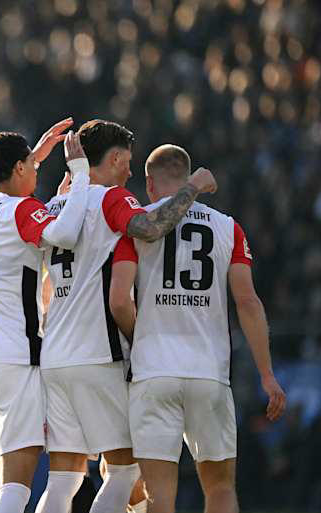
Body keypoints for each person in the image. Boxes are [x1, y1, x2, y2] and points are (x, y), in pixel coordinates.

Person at [35, 120, 217, 513]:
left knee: (63, 479)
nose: (131, 172)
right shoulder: (111, 198)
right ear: (115, 158)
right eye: (128, 162)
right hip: (98, 355)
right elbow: (150, 228)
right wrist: (192, 188)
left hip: (56, 357)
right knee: (125, 470)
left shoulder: (56, 205)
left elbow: (46, 287)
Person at [108, 144, 286, 513]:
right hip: (209, 374)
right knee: (220, 487)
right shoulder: (228, 228)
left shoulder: (137, 225)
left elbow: (120, 300)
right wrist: (267, 374)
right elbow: (248, 303)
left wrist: (140, 339)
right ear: (188, 175)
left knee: (158, 493)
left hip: (154, 373)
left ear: (149, 183)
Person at [0, 118, 93, 513]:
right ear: (17, 168)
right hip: (14, 355)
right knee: (18, 474)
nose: (35, 172)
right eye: (30, 165)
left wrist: (35, 157)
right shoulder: (23, 209)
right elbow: (65, 234)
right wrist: (80, 175)